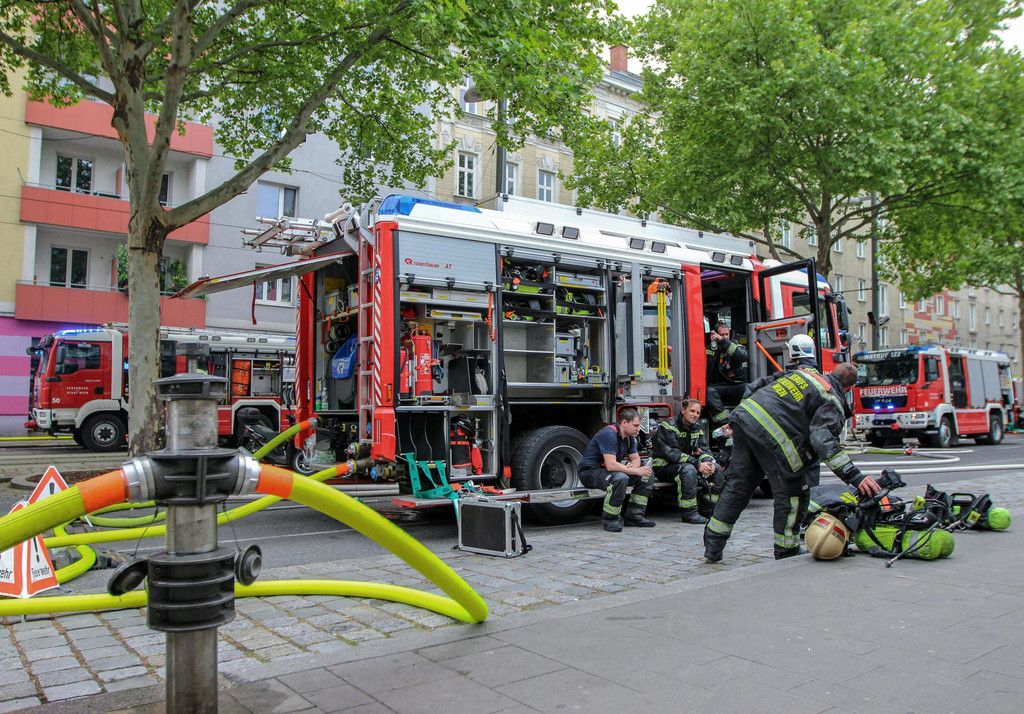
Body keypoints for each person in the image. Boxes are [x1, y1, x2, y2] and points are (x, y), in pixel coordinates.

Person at [703, 345, 880, 562]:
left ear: (832, 373)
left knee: (738, 487)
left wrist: (743, 411)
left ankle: (713, 546)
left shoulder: (801, 374)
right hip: (774, 437)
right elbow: (823, 441)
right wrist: (855, 477)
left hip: (745, 419)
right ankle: (786, 550)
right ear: (849, 388)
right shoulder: (831, 400)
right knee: (794, 494)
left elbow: (757, 384)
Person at [578, 408, 656, 532]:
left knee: (647, 474)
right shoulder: (609, 434)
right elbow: (611, 465)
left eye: (639, 425)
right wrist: (634, 471)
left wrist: (633, 467)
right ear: (624, 423)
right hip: (589, 472)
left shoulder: (630, 437)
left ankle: (634, 517)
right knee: (620, 478)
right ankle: (610, 520)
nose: (638, 429)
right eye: (635, 425)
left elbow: (636, 458)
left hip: (608, 471)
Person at [652, 399, 718, 524]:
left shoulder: (697, 428)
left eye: (698, 413)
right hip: (664, 466)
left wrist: (708, 462)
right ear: (683, 410)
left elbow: (705, 449)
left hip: (685, 464)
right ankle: (689, 514)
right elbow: (671, 453)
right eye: (692, 411)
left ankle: (708, 510)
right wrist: (697, 463)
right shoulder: (669, 425)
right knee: (688, 470)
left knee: (717, 469)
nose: (695, 415)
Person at [706, 321, 748, 427]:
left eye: (726, 334)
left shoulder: (735, 345)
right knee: (708, 391)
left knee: (749, 388)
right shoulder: (709, 348)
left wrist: (722, 341)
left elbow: (742, 356)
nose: (725, 337)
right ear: (715, 334)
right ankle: (726, 424)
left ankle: (745, 420)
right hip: (717, 387)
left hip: (735, 385)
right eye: (722, 335)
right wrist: (714, 346)